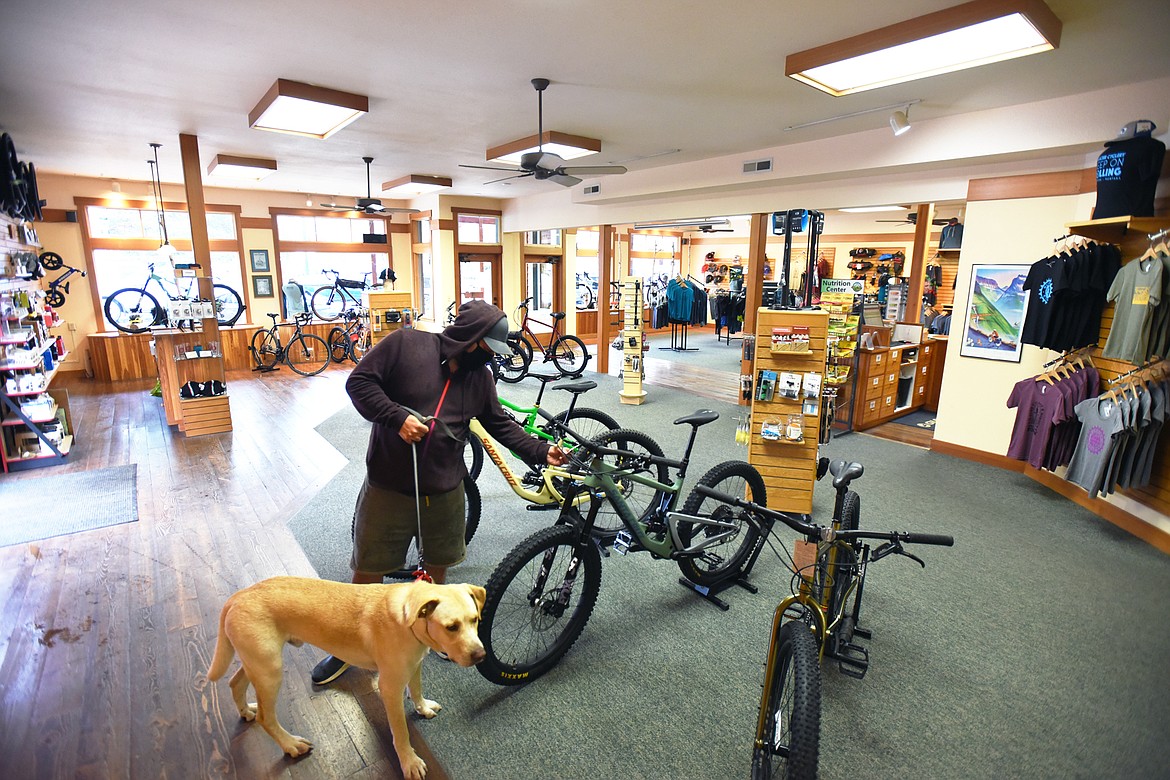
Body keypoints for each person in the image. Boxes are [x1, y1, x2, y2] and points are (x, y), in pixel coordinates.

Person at [311, 300, 568, 685]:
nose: (489, 360)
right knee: (368, 569)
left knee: (438, 568)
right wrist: (397, 417)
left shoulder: (480, 377)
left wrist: (538, 450)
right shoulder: (405, 345)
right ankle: (348, 648)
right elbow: (359, 383)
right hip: (389, 486)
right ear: (470, 339)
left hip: (447, 488)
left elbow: (499, 423)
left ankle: (433, 636)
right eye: (486, 350)